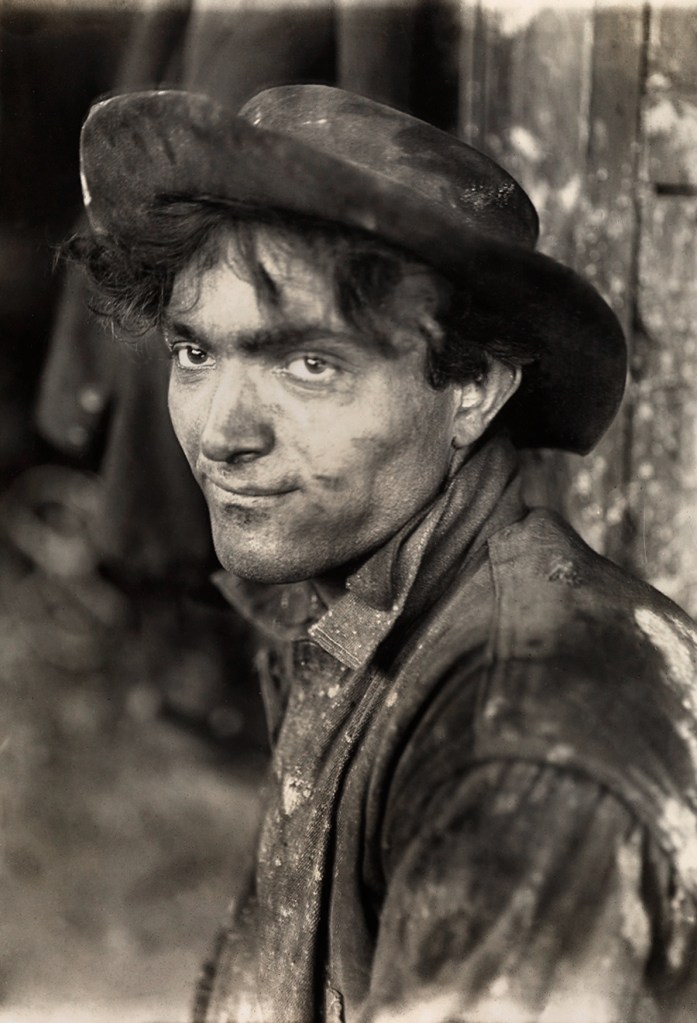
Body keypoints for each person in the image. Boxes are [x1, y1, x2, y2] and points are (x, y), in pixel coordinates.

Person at [70, 85, 697, 1022]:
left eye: (308, 363)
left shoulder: (520, 746)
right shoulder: (348, 607)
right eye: (194, 352)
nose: (220, 432)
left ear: (473, 388)